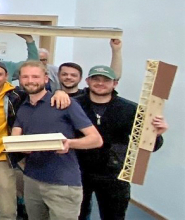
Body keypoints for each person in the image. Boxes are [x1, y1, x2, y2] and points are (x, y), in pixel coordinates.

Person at [0, 61, 70, 220]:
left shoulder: (17, 95)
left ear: (6, 76)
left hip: (2, 159)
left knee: (7, 209)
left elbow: (40, 92)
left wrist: (60, 92)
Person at [11, 61, 103, 220]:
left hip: (62, 183)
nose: (30, 80)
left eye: (35, 76)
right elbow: (15, 139)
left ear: (46, 79)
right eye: (25, 76)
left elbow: (96, 140)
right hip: (32, 179)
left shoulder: (64, 103)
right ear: (20, 79)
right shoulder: (23, 107)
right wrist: (19, 146)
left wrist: (69, 143)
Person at [75, 65, 167, 220]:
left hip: (114, 173)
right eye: (96, 79)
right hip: (77, 170)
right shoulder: (74, 106)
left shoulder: (130, 109)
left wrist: (156, 135)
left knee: (114, 216)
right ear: (87, 81)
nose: (100, 83)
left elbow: (151, 145)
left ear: (115, 83)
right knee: (77, 215)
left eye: (106, 80)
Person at [58, 39, 123, 99]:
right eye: (64, 74)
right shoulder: (52, 95)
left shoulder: (87, 95)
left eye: (73, 75)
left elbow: (114, 76)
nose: (68, 77)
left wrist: (116, 50)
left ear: (81, 78)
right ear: (58, 76)